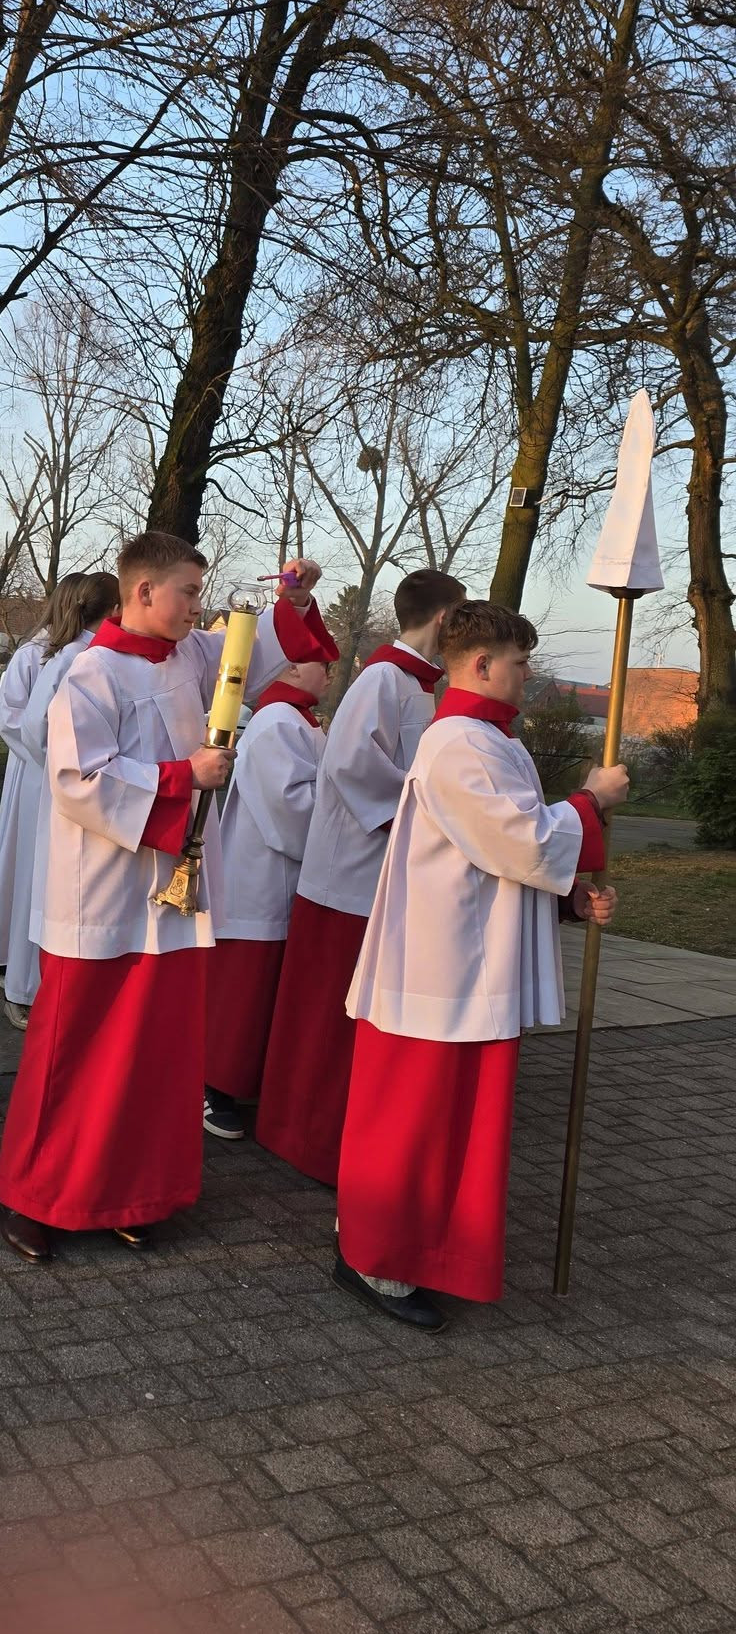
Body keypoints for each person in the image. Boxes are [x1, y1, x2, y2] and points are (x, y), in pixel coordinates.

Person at [0, 533, 323, 1262]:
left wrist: (294, 598)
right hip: (101, 895)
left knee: (150, 1056)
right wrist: (182, 778)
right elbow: (78, 781)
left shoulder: (191, 656)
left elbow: (256, 653)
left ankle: (127, 1192)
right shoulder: (90, 672)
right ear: (143, 591)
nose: (199, 607)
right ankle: (33, 1195)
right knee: (73, 1051)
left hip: (172, 896)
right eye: (189, 592)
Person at [333, 601, 627, 1331]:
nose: (527, 675)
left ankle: (422, 1248)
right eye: (520, 663)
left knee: (448, 1125)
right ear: (482, 664)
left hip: (469, 961)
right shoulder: (459, 742)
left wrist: (570, 897)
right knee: (411, 1121)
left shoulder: (494, 740)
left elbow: (503, 856)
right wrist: (591, 801)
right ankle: (373, 1254)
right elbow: (520, 840)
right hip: (439, 967)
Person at [253, 568, 467, 1182]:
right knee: (326, 1017)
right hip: (348, 875)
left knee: (347, 1019)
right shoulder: (382, 678)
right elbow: (350, 765)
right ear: (443, 619)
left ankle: (326, 1134)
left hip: (379, 874)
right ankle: (302, 1137)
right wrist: (426, 810)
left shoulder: (418, 685)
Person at [201, 639, 334, 1141]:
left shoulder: (299, 720)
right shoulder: (277, 721)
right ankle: (213, 1085)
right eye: (322, 663)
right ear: (291, 668)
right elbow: (289, 805)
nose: (329, 672)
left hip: (284, 876)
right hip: (261, 877)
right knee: (242, 993)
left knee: (264, 994)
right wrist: (341, 815)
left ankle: (243, 1079)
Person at [0, 574, 121, 1029]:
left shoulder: (90, 655)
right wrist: (59, 761)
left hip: (67, 778)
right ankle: (25, 986)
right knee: (39, 878)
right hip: (48, 777)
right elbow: (23, 722)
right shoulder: (62, 656)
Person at [0, 606, 60, 1024]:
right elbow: (8, 716)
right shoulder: (34, 654)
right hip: (32, 767)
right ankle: (7, 956)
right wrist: (49, 752)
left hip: (56, 771)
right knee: (21, 861)